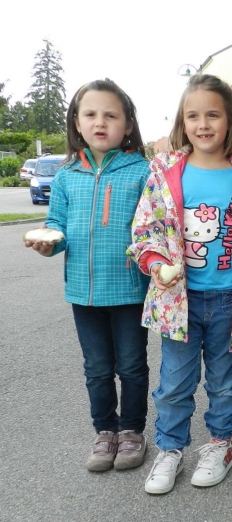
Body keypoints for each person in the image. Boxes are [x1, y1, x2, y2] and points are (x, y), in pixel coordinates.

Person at [128, 74, 232, 495]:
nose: (203, 124)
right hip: (179, 302)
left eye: (213, 114)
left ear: (230, 121)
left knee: (224, 381)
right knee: (174, 383)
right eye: (193, 115)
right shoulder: (166, 172)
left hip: (230, 300)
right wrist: (154, 263)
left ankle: (220, 445)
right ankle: (170, 449)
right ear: (181, 122)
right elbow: (145, 230)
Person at [24, 79, 151, 472]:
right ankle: (104, 431)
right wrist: (50, 243)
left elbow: (152, 227)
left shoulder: (143, 171)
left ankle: (131, 431)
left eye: (111, 115)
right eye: (90, 114)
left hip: (130, 290)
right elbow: (56, 225)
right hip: (83, 292)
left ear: (127, 125)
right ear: (76, 123)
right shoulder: (66, 176)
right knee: (96, 367)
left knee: (131, 365)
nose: (100, 122)